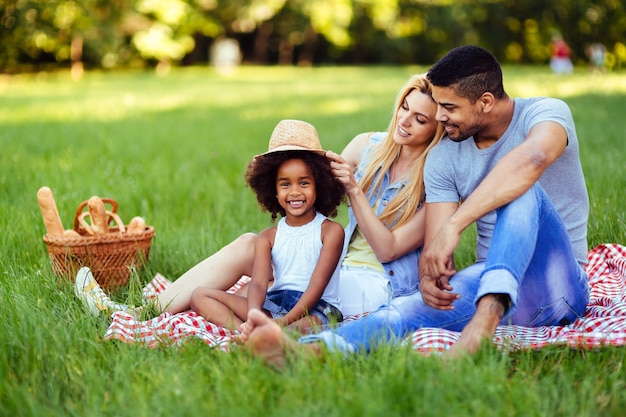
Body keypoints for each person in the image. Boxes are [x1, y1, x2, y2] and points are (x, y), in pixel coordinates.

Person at [241, 45, 590, 366]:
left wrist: (457, 224)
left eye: (449, 108)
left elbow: (533, 159)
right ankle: (309, 353)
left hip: (560, 282)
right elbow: (434, 243)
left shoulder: (545, 112)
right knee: (403, 309)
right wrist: (429, 278)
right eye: (437, 107)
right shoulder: (445, 156)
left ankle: (481, 329)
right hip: (487, 280)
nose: (440, 117)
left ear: (485, 101)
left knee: (523, 190)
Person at [75, 74, 444, 324]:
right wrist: (278, 167)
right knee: (250, 244)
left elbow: (388, 249)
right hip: (334, 263)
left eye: (420, 119)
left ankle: (242, 323)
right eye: (404, 108)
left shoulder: (435, 180)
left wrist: (356, 191)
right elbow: (312, 180)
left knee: (272, 273)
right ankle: (141, 311)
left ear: (436, 129)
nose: (405, 121)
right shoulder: (369, 146)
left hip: (372, 283)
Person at [189, 119, 346, 333]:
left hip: (315, 309)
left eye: (304, 182)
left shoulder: (330, 231)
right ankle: (248, 332)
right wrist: (254, 315)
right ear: (273, 190)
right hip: (274, 305)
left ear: (319, 185)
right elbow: (259, 285)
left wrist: (283, 321)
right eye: (285, 184)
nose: (294, 192)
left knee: (307, 326)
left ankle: (271, 333)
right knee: (200, 296)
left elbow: (316, 287)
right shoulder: (267, 237)